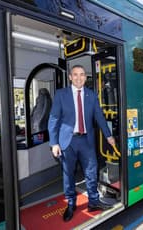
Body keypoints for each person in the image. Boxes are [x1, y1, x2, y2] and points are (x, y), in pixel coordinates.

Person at [48, 65, 115, 222]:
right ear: (70, 77)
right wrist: (54, 143)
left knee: (91, 172)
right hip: (67, 142)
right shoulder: (61, 95)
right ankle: (71, 204)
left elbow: (99, 116)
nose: (79, 77)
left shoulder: (91, 95)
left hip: (87, 140)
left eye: (82, 74)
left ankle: (93, 201)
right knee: (68, 174)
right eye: (76, 75)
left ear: (86, 77)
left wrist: (108, 136)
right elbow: (53, 120)